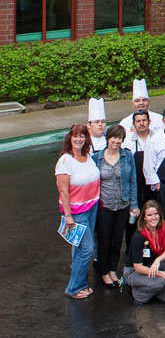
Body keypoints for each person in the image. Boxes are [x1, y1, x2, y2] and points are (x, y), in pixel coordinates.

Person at [91, 124, 139, 288]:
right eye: (114, 137)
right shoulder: (97, 158)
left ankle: (112, 269)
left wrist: (134, 204)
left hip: (123, 204)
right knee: (104, 240)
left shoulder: (127, 156)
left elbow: (133, 181)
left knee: (117, 240)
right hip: (105, 206)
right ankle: (104, 272)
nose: (117, 141)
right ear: (108, 138)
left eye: (120, 138)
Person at [57, 125, 100, 299]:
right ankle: (73, 287)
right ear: (70, 138)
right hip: (77, 213)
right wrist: (68, 217)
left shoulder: (88, 156)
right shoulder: (65, 161)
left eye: (82, 136)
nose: (79, 139)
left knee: (78, 248)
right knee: (87, 249)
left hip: (92, 207)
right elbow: (63, 191)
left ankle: (80, 282)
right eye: (75, 136)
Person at [123, 201, 165, 305]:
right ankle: (138, 295)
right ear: (144, 217)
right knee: (160, 281)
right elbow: (138, 267)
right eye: (149, 215)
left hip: (151, 265)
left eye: (156, 214)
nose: (153, 218)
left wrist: (158, 260)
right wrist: (161, 273)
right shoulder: (138, 236)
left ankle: (162, 296)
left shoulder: (164, 227)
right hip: (134, 272)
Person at [123, 110, 156, 206]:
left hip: (155, 184)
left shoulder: (157, 138)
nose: (141, 124)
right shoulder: (127, 142)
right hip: (137, 187)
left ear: (149, 122)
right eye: (138, 121)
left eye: (144, 120)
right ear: (133, 124)